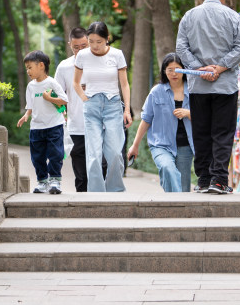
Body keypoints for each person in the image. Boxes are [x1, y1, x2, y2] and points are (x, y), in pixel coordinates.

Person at [176, 0, 240, 194]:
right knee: (222, 133)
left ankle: (204, 179)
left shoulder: (189, 16)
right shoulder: (233, 16)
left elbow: (181, 48)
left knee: (201, 132)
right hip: (225, 86)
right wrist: (220, 67)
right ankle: (219, 180)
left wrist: (199, 68)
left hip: (198, 86)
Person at [73, 21, 132, 192]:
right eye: (91, 41)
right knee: (94, 154)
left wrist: (126, 110)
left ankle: (115, 190)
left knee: (114, 152)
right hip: (91, 106)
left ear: (107, 39)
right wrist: (85, 99)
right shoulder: (82, 56)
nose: (94, 46)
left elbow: (125, 84)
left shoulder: (117, 55)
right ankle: (96, 193)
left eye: (98, 42)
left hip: (113, 105)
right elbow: (76, 83)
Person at [128, 53, 194, 192]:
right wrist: (135, 146)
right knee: (167, 168)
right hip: (161, 144)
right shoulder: (156, 92)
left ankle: (176, 208)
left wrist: (188, 113)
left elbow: (203, 118)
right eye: (169, 69)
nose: (173, 73)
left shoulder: (193, 91)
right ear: (164, 71)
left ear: (184, 70)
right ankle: (175, 205)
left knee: (183, 185)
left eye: (177, 69)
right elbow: (146, 120)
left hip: (185, 145)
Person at [55, 27, 106, 192]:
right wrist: (60, 115)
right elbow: (59, 98)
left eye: (84, 46)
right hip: (76, 129)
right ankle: (83, 213)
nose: (80, 50)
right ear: (70, 45)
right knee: (82, 176)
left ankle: (102, 208)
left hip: (100, 127)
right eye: (76, 47)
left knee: (102, 168)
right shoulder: (64, 67)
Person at [17, 50, 69, 194]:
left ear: (41, 65)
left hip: (54, 125)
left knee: (55, 154)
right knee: (37, 157)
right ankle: (42, 182)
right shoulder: (31, 86)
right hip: (36, 127)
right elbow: (30, 105)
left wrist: (50, 99)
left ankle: (55, 181)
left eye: (29, 67)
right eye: (26, 68)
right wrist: (26, 115)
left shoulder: (52, 82)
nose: (27, 71)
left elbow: (64, 100)